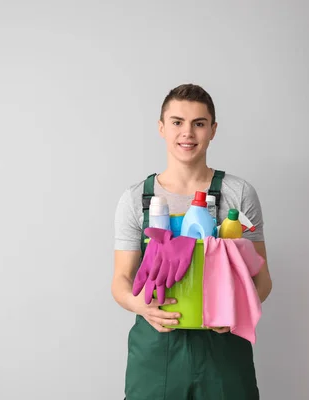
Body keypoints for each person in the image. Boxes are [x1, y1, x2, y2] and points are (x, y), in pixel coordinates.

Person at [112, 83, 273, 400]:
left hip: (223, 352)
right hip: (157, 352)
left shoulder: (237, 194)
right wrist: (142, 307)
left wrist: (235, 312)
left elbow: (263, 280)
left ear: (213, 130)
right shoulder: (136, 199)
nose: (187, 133)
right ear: (161, 128)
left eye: (199, 123)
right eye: (177, 122)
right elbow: (121, 280)